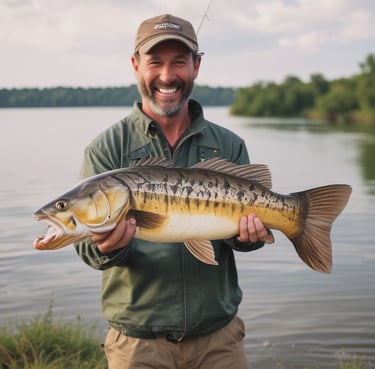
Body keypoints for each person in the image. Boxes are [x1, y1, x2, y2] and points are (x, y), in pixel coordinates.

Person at [75, 13, 270, 369]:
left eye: (179, 62)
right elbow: (86, 248)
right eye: (155, 63)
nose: (167, 76)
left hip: (220, 341)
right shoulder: (106, 149)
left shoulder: (229, 144)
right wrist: (105, 247)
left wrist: (248, 238)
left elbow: (246, 239)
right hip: (137, 346)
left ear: (196, 66)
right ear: (136, 65)